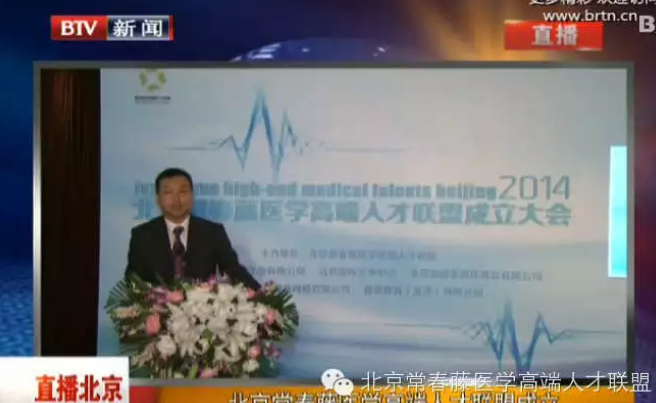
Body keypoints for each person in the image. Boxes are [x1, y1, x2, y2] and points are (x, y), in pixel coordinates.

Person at [125, 167, 260, 289]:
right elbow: (133, 281)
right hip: (156, 307)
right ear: (158, 199)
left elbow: (233, 270)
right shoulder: (142, 235)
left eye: (183, 192)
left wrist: (261, 296)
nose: (176, 199)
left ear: (192, 196)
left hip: (202, 307)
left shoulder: (212, 232)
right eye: (168, 193)